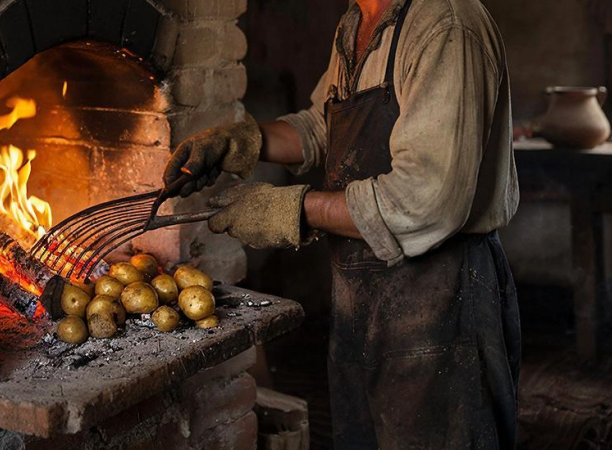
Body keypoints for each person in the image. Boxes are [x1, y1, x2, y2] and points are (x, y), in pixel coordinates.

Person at [163, 0, 521, 447]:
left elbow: (425, 202)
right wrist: (241, 140)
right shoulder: (357, 19)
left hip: (443, 305)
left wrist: (289, 209)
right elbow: (324, 124)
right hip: (360, 299)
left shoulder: (447, 26)